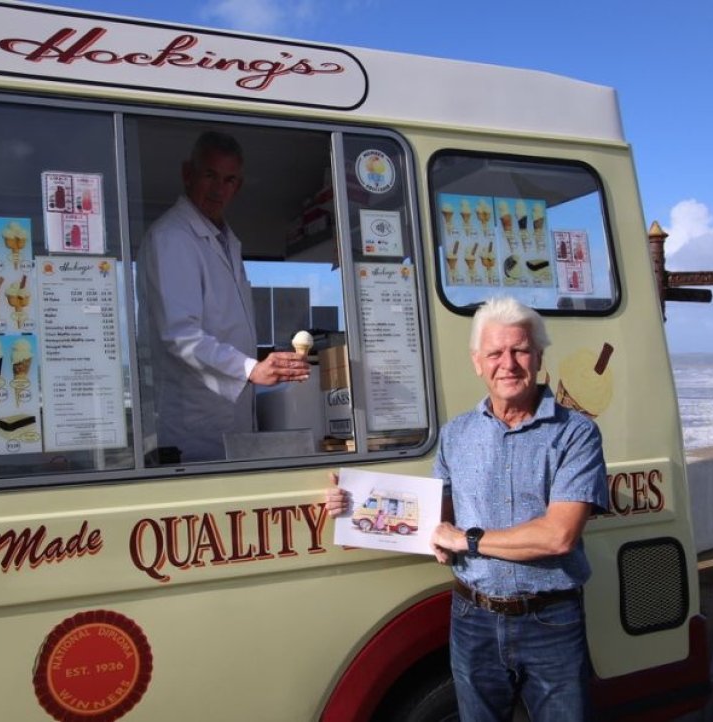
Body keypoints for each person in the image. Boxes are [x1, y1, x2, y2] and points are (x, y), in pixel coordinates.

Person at [324, 296, 608, 722]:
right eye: (495, 353)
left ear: (539, 356)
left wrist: (466, 540)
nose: (507, 363)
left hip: (551, 621)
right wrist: (353, 502)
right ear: (478, 363)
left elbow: (558, 535)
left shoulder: (577, 433)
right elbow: (436, 521)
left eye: (520, 350)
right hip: (472, 619)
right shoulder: (456, 434)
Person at [137, 130, 310, 462]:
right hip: (194, 433)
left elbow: (226, 327)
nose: (218, 189)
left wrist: (268, 363)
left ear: (238, 186)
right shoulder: (172, 238)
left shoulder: (226, 240)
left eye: (229, 179)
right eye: (209, 175)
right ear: (188, 174)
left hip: (232, 424)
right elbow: (179, 335)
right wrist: (249, 369)